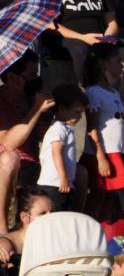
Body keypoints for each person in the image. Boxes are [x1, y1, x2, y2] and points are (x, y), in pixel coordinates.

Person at [0, 51, 54, 232]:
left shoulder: (33, 98)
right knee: (10, 158)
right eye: (31, 75)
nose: (35, 80)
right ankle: (1, 228)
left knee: (80, 171)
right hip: (6, 168)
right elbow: (8, 143)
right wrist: (36, 110)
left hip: (32, 164)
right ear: (12, 77)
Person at [81, 42, 124, 221]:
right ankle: (90, 232)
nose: (122, 65)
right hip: (101, 154)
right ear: (103, 65)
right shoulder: (93, 92)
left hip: (115, 152)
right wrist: (100, 157)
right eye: (118, 61)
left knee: (110, 197)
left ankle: (104, 234)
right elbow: (92, 127)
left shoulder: (113, 92)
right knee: (97, 196)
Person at [36, 83, 88, 212]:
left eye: (81, 113)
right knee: (56, 215)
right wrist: (63, 178)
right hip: (54, 184)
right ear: (62, 109)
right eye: (77, 112)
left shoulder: (65, 128)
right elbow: (56, 153)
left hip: (60, 184)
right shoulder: (58, 128)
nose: (79, 117)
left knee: (63, 214)